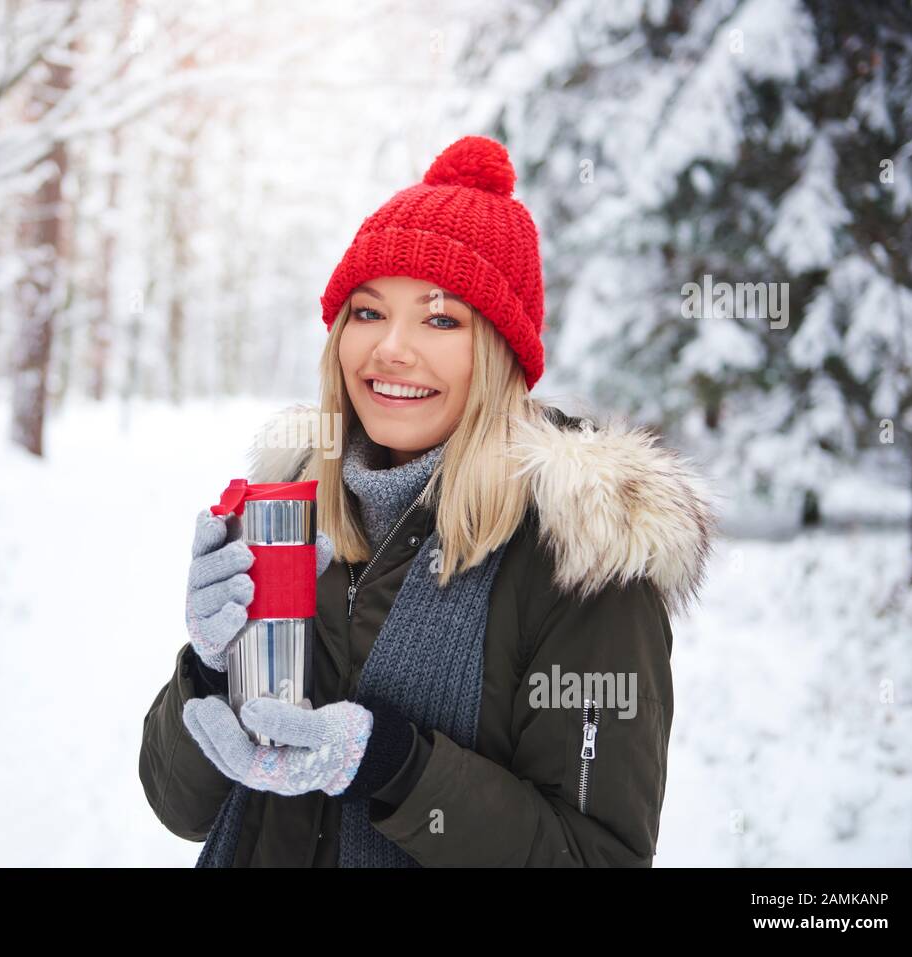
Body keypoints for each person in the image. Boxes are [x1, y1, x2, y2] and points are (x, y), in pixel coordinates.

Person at [138, 135, 719, 867]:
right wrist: (212, 667)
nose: (391, 350)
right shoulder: (292, 512)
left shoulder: (584, 555)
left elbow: (595, 856)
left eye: (441, 319)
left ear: (500, 352)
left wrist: (394, 767)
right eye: (369, 312)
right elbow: (179, 806)